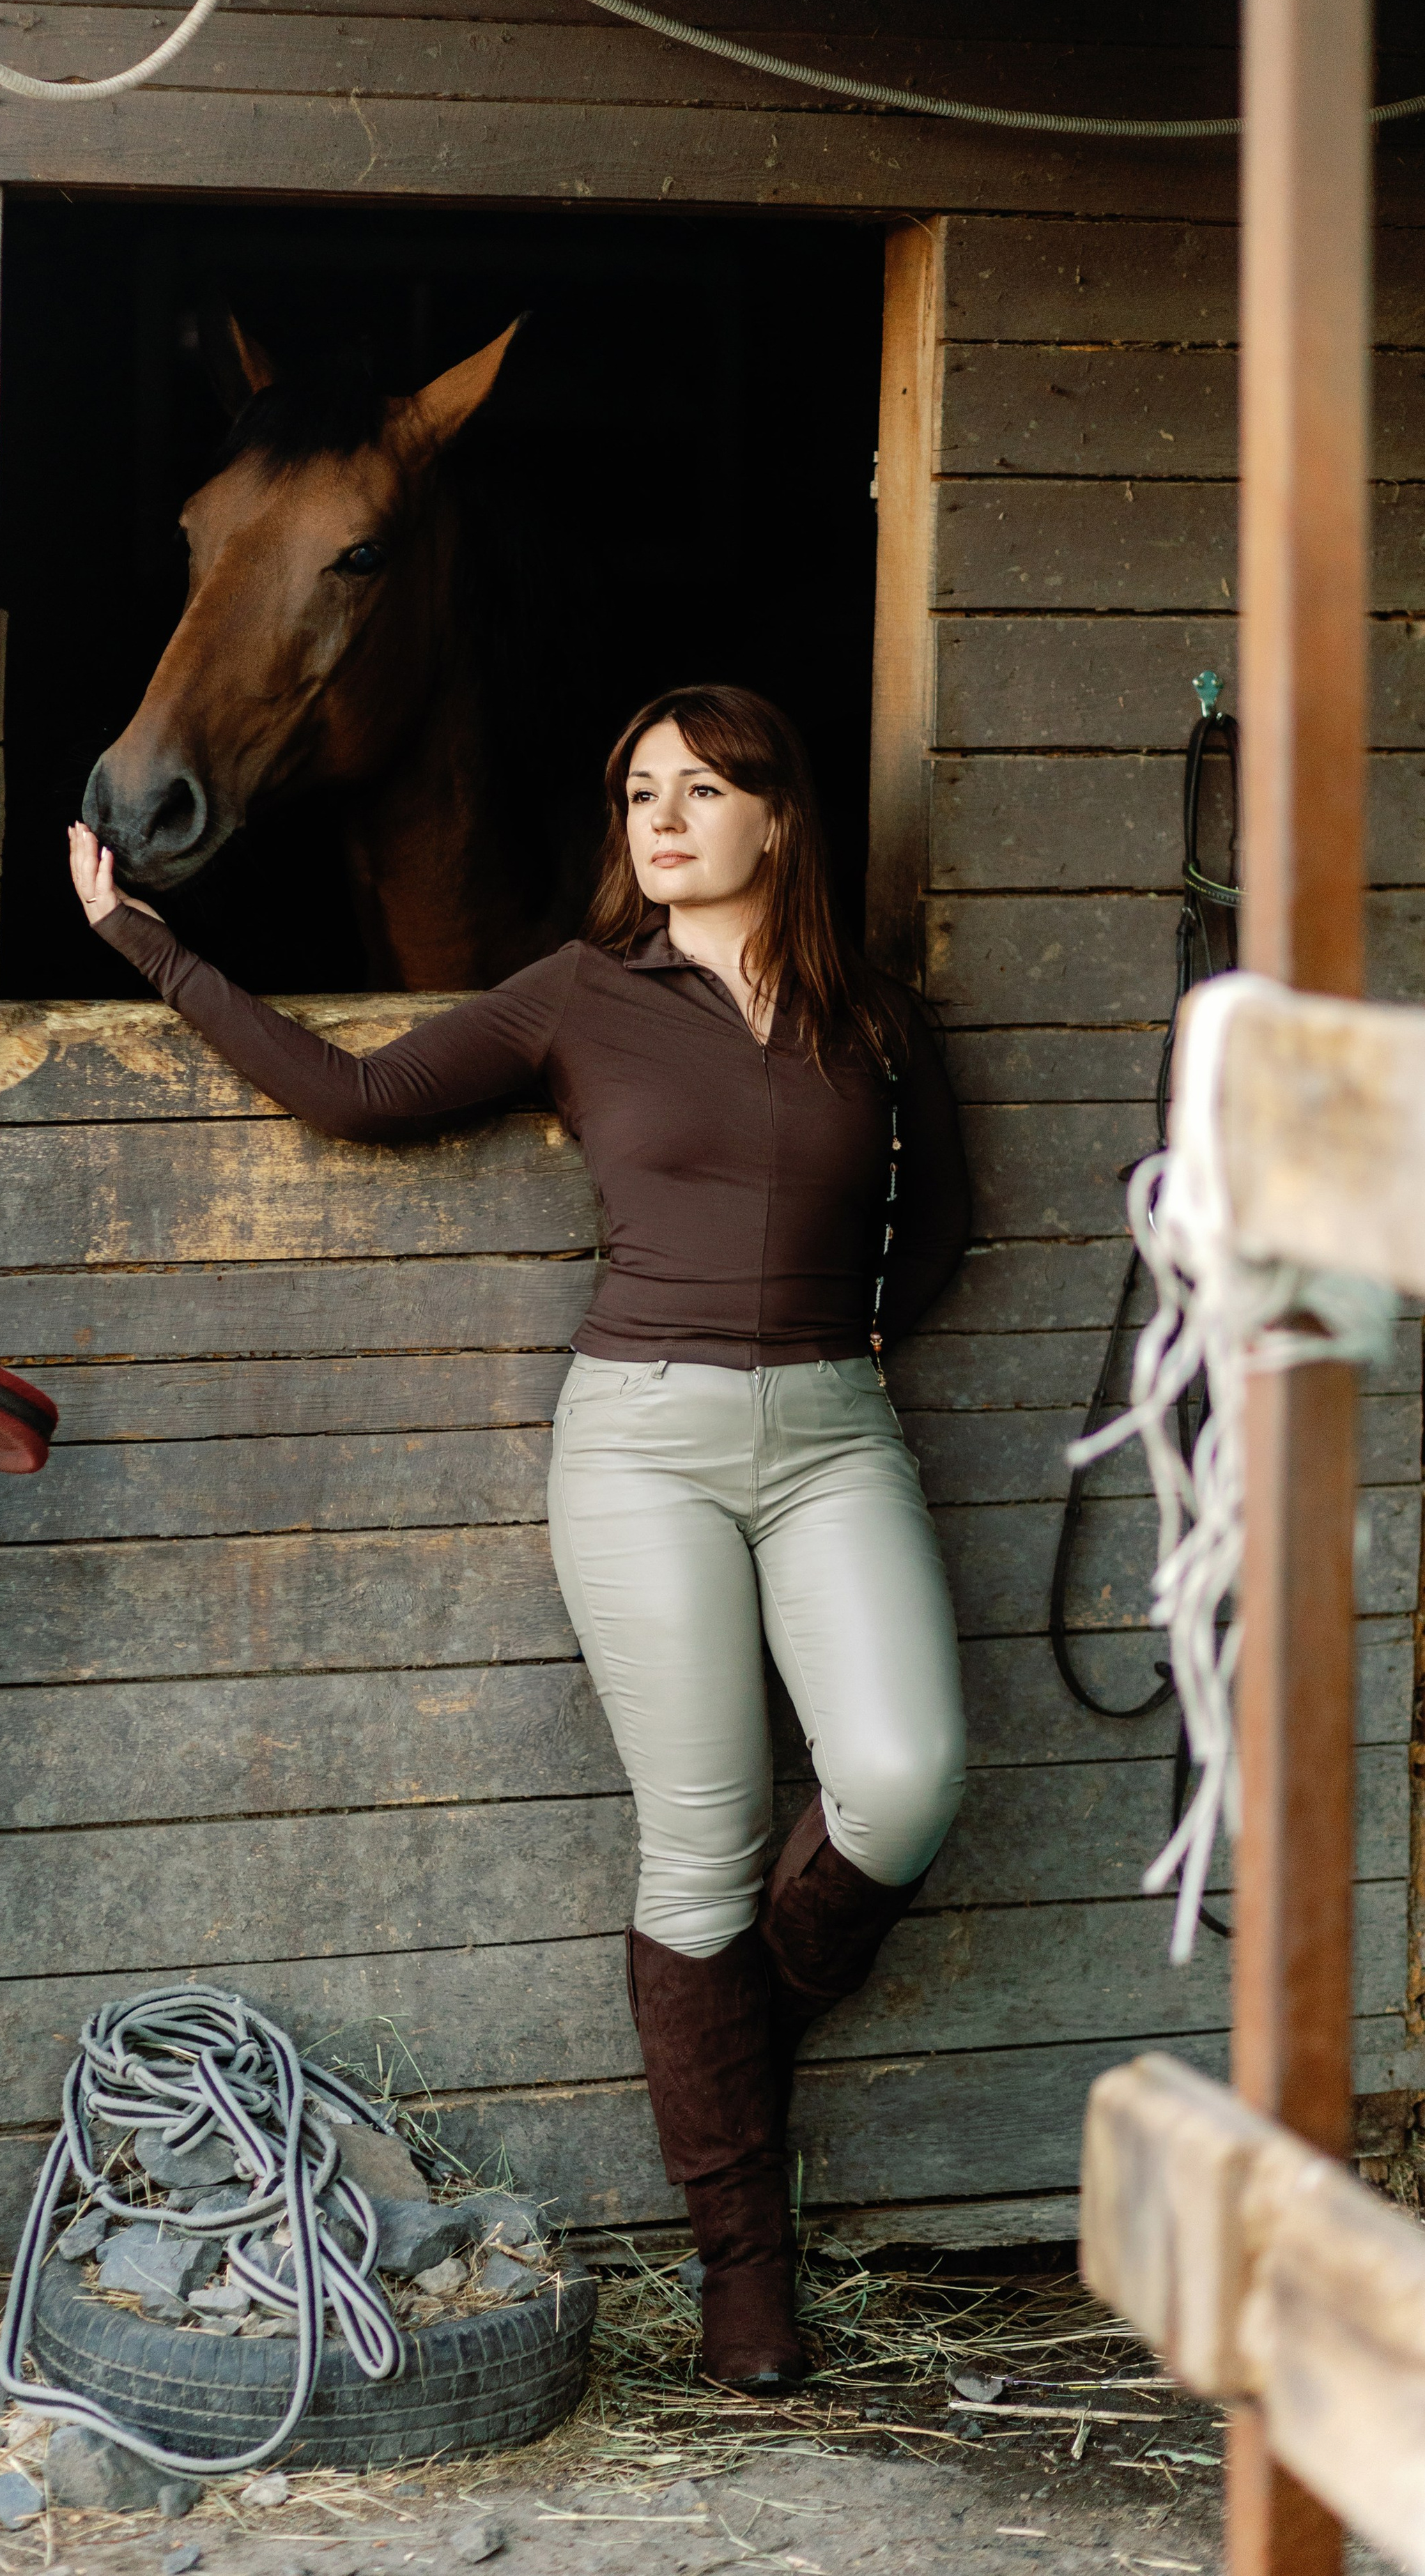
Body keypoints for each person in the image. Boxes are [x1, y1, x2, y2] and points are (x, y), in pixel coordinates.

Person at [68, 682, 969, 2393]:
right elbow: (354, 1094)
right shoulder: (580, 995)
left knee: (907, 1777)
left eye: (706, 789)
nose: (666, 817)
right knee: (694, 1852)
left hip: (835, 1436)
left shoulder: (874, 1018)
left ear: (779, 819)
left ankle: (723, 2039)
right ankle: (740, 2269)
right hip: (639, 1442)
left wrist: (841, 1344)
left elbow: (940, 1221)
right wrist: (155, 951)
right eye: (642, 789)